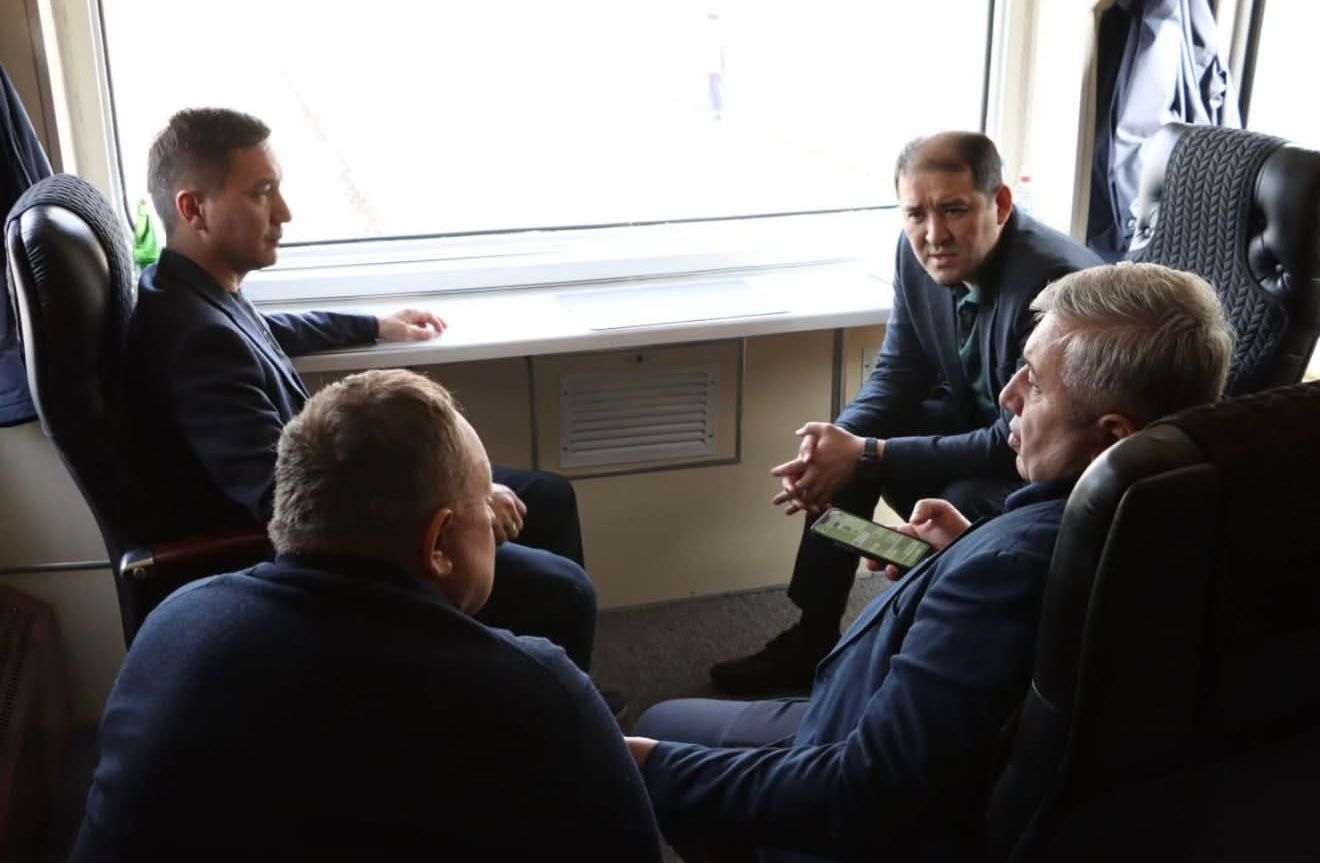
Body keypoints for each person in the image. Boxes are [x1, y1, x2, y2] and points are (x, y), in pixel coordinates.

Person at [628, 262, 1234, 862]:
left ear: (1113, 436)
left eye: (1035, 382)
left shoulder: (1005, 573)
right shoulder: (1182, 519)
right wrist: (968, 545)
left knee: (652, 744)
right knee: (668, 718)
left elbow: (863, 794)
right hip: (927, 735)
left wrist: (648, 765)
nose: (1009, 396)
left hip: (853, 772)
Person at [128, 107, 617, 709]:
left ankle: (550, 688)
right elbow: (275, 496)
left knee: (548, 498)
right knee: (564, 590)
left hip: (339, 498)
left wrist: (373, 325)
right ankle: (552, 719)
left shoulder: (195, 292)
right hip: (332, 548)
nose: (284, 212)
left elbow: (270, 332)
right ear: (193, 209)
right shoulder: (195, 342)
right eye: (262, 193)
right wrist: (459, 500)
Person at [71, 369, 662, 862]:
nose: (493, 518)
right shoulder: (536, 693)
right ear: (439, 543)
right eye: (483, 504)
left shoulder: (173, 621)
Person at [710, 131, 1104, 695]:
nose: (934, 234)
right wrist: (837, 441)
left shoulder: (1051, 283)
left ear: (999, 204)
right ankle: (812, 637)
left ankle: (925, 653)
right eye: (916, 214)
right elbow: (899, 371)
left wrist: (869, 452)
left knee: (944, 487)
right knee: (848, 455)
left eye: (954, 210)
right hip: (978, 425)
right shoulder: (915, 253)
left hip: (1046, 462)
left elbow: (1014, 434)